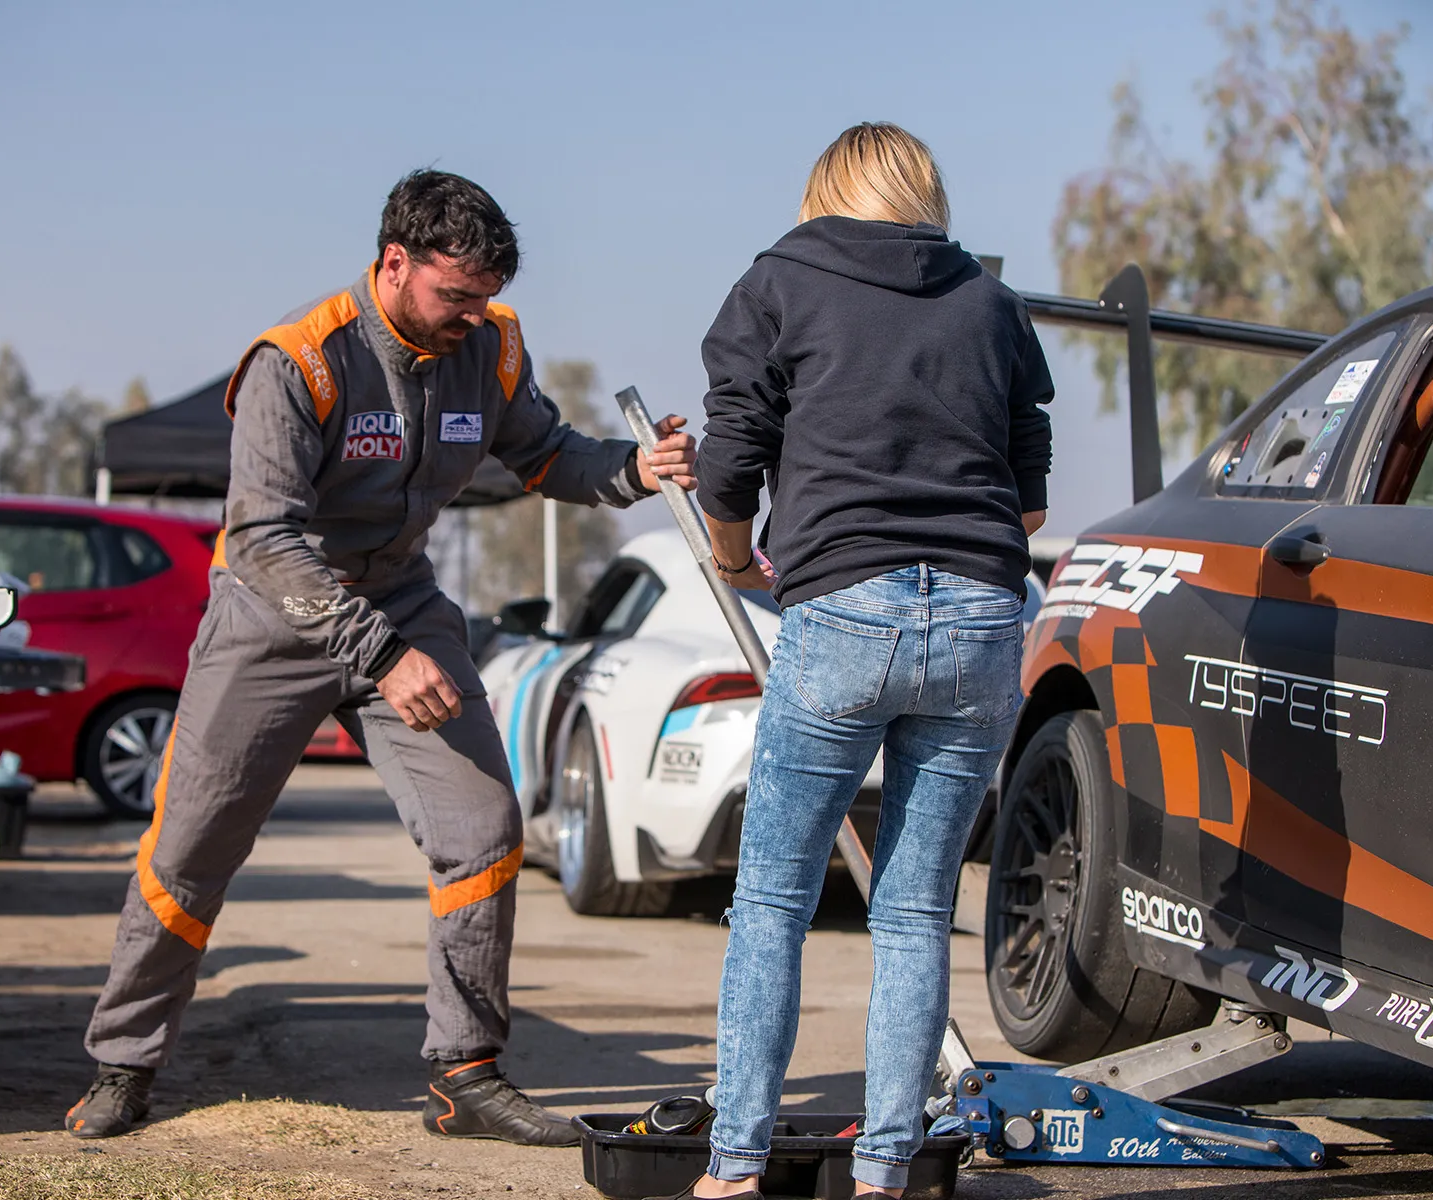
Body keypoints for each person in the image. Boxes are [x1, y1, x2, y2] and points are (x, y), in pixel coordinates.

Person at [65, 169, 697, 1146]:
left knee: (482, 826)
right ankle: (125, 1062)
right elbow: (266, 540)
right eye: (454, 297)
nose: (471, 318)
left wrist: (630, 471)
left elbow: (543, 455)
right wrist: (381, 653)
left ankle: (467, 1074)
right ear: (392, 263)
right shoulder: (299, 360)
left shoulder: (488, 346)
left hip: (398, 594)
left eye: (484, 300)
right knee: (189, 853)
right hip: (271, 614)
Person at [673, 123, 1053, 1199]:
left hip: (842, 604)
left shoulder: (780, 281)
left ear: (826, 191)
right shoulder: (989, 300)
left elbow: (732, 449)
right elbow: (1029, 484)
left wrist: (735, 556)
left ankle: (737, 1165)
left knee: (774, 900)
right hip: (983, 613)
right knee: (914, 911)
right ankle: (887, 1172)